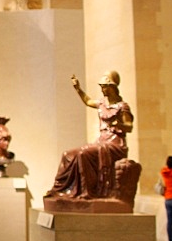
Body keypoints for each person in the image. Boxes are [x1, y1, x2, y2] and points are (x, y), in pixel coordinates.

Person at [44, 71, 134, 201]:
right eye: (101, 86)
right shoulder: (102, 103)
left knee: (83, 153)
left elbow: (129, 126)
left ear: (112, 87)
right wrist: (78, 89)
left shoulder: (122, 107)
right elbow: (88, 101)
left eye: (104, 86)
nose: (102, 89)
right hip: (101, 141)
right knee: (67, 155)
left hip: (114, 144)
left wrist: (118, 124)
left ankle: (86, 191)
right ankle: (60, 190)